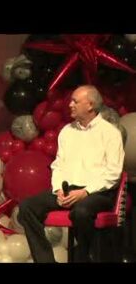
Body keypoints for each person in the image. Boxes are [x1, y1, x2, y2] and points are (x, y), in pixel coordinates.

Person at [18, 85, 125, 263]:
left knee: (81, 211)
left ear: (90, 105)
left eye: (75, 101)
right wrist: (58, 189)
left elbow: (113, 173)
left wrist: (85, 192)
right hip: (69, 189)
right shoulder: (67, 131)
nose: (70, 105)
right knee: (27, 207)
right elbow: (58, 165)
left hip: (98, 192)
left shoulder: (110, 133)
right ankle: (45, 260)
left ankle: (83, 256)